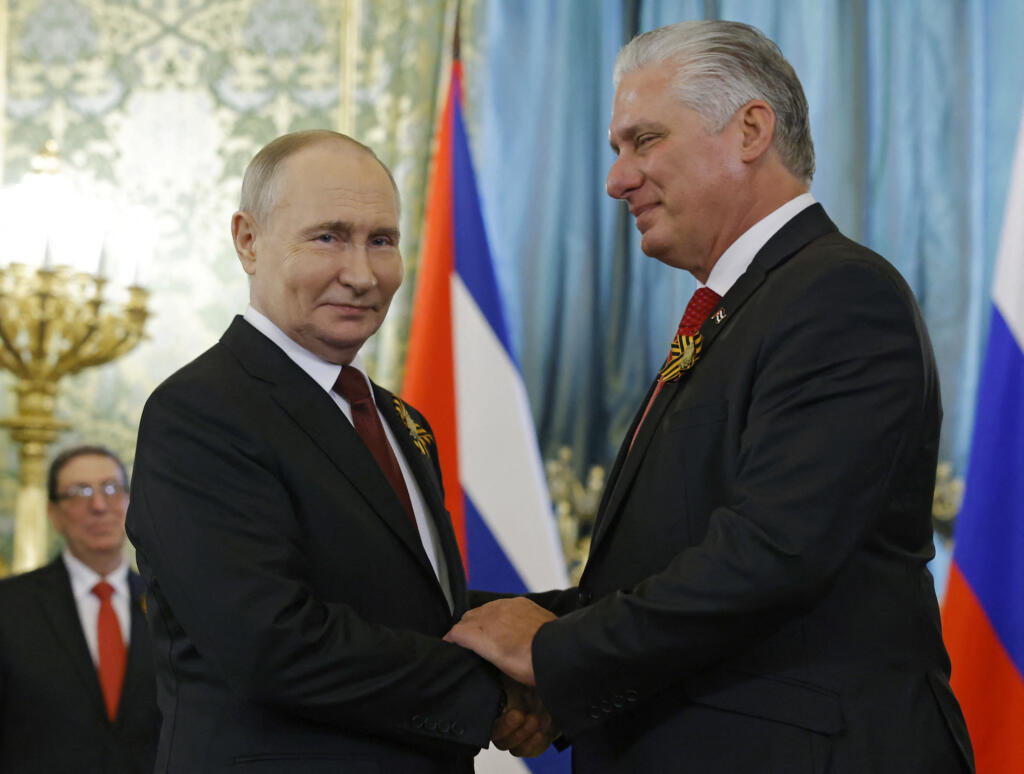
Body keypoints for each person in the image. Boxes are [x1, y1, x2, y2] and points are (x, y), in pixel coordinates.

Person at [447, 20, 976, 773]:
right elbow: (666, 567)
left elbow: (771, 555)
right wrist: (484, 626)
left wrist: (553, 649)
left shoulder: (838, 293)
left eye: (644, 140)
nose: (616, 179)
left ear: (751, 129)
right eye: (614, 150)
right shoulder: (746, 307)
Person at [126, 130, 546, 773]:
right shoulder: (200, 412)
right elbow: (275, 645)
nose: (361, 273)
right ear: (248, 240)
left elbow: (409, 609)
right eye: (328, 236)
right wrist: (498, 689)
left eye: (382, 240)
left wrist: (568, 633)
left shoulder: (400, 421)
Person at [0, 445, 159, 773]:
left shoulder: (169, 605)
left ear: (130, 503)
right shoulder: (9, 606)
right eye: (79, 492)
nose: (99, 505)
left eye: (111, 489)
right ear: (54, 513)